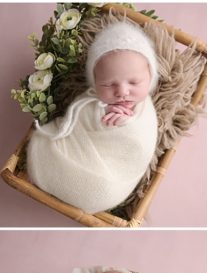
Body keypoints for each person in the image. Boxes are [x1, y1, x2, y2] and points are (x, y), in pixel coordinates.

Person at [27, 20, 159, 213]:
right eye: (108, 84)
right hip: (78, 149)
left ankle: (78, 187)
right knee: (41, 140)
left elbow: (141, 144)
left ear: (150, 79)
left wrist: (125, 126)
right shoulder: (88, 102)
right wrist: (99, 117)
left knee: (105, 191)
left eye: (134, 82)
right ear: (95, 84)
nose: (122, 92)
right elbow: (74, 123)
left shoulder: (146, 114)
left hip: (110, 177)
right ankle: (55, 174)